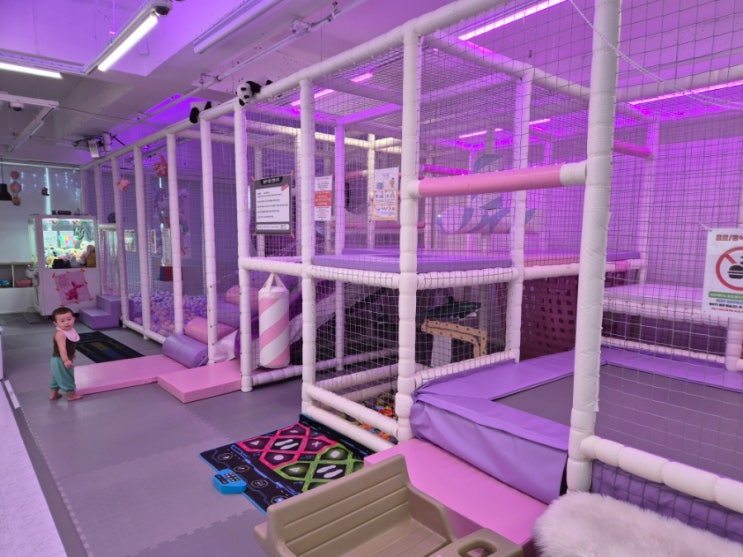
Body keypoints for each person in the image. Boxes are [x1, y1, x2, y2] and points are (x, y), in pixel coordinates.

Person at [49, 306, 83, 402]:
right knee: (67, 376)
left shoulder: (70, 331)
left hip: (59, 359)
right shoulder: (61, 334)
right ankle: (71, 395)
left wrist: (72, 354)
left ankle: (53, 394)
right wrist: (66, 360)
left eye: (69, 319)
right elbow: (62, 349)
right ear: (56, 323)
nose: (67, 322)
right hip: (60, 360)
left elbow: (70, 345)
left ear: (74, 319)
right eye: (62, 321)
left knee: (57, 377)